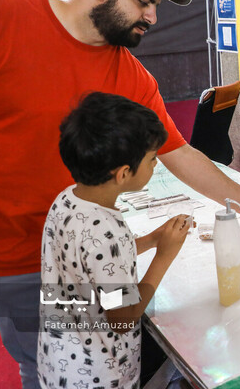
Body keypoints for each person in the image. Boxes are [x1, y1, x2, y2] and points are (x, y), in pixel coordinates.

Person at [0, 0, 240, 388]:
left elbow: (181, 153)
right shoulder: (5, 17)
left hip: (53, 259)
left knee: (50, 359)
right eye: (143, 1)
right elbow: (122, 312)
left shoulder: (129, 74)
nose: (152, 17)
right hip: (14, 250)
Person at [38, 92, 192, 388]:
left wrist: (152, 239)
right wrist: (164, 257)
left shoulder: (67, 199)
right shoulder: (107, 230)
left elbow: (92, 262)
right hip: (100, 375)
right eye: (151, 159)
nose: (156, 165)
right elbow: (123, 318)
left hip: (59, 362)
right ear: (123, 174)